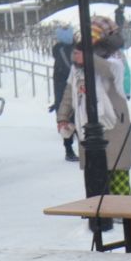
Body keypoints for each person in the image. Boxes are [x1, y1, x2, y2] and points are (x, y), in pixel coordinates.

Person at [57, 18, 131, 195]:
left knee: (118, 174)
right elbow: (70, 92)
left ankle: (123, 214)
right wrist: (62, 117)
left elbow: (111, 72)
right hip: (88, 125)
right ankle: (97, 214)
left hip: (114, 125)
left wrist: (88, 59)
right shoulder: (78, 65)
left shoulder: (115, 57)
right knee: (95, 179)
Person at [51, 23, 78, 161]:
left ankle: (72, 149)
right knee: (69, 120)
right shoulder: (63, 50)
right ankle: (69, 150)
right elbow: (71, 68)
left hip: (67, 88)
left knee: (75, 120)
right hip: (66, 89)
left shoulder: (69, 48)